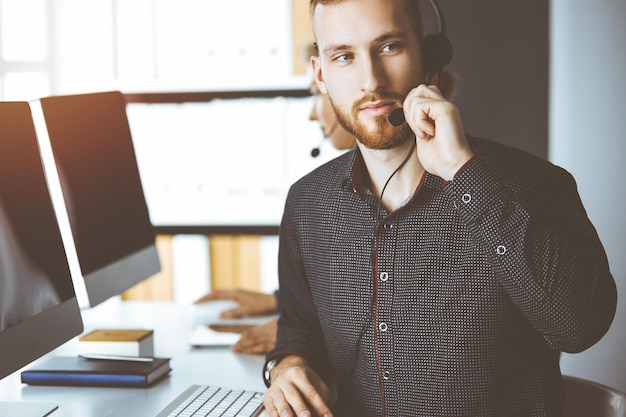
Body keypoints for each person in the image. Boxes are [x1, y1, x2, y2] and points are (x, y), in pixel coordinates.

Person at [262, 1, 617, 416]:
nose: (370, 80)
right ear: (321, 74)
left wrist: (463, 174)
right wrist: (289, 366)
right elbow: (298, 329)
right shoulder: (307, 203)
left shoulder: (534, 183)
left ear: (428, 57)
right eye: (344, 56)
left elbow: (578, 327)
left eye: (389, 47)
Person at [194, 79, 358, 355]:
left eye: (317, 93)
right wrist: (279, 302)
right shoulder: (334, 189)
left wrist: (301, 336)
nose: (311, 114)